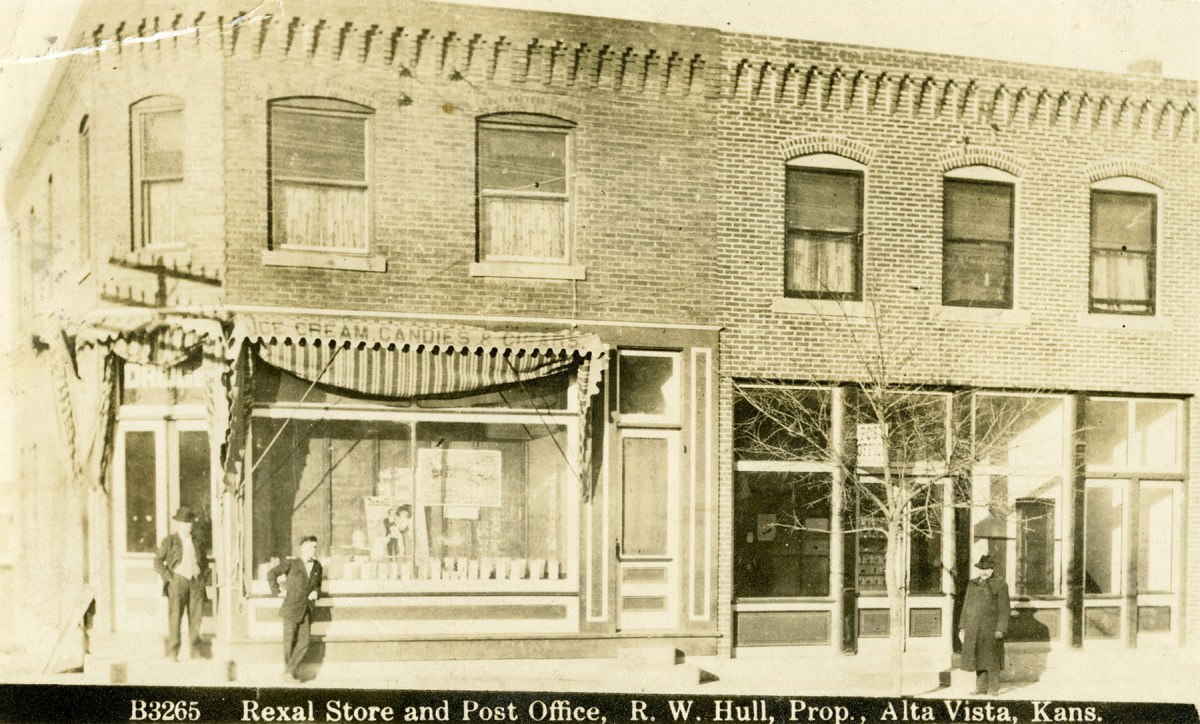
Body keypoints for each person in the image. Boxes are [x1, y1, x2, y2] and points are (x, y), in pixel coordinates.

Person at [153, 507, 209, 661]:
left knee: (196, 618)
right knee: (175, 617)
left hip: (196, 582)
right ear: (178, 524)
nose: (188, 525)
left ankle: (195, 652)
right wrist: (169, 577)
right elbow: (157, 562)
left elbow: (204, 561)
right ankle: (173, 652)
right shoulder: (170, 541)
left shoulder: (197, 540)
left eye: (190, 522)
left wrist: (202, 575)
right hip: (177, 582)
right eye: (185, 522)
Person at [268, 535, 323, 683]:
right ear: (302, 548)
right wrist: (277, 591)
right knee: (289, 642)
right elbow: (271, 574)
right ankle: (289, 673)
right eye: (310, 547)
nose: (313, 550)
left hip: (306, 609)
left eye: (315, 547)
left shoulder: (317, 566)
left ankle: (289, 672)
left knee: (304, 642)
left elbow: (318, 585)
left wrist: (316, 592)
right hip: (291, 608)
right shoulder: (292, 563)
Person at [958, 553, 1010, 696]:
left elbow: (1005, 609)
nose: (984, 572)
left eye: (987, 569)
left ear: (992, 569)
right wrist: (962, 626)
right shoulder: (972, 584)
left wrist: (1001, 629)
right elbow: (966, 606)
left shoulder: (1000, 584)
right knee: (978, 657)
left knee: (992, 658)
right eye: (982, 569)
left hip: (991, 628)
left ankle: (993, 688)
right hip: (974, 627)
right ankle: (981, 688)